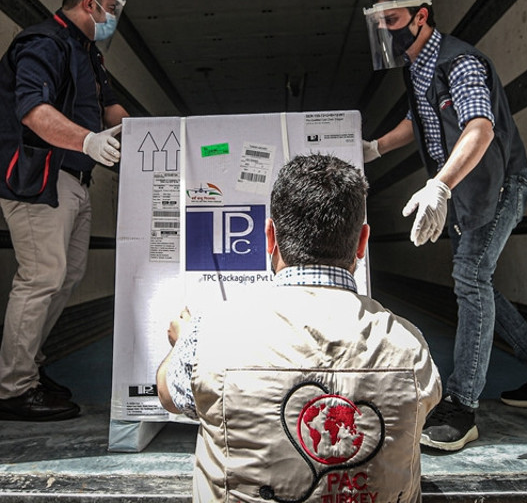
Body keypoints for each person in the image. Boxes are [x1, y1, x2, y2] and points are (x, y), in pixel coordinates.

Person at [360, 0, 527, 452]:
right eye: (379, 23)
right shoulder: (417, 65)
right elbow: (415, 118)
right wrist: (374, 150)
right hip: (469, 190)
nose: (386, 31)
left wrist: (439, 186)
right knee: (478, 283)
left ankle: (461, 409)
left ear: (421, 16)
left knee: (469, 277)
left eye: (393, 20)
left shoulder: (459, 61)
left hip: (498, 184)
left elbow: (479, 128)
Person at [156, 154, 441, 502]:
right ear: (363, 241)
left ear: (270, 237)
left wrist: (180, 343)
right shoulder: (410, 345)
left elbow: (170, 396)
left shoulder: (210, 334)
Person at [0, 0, 130, 422]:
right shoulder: (44, 42)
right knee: (43, 275)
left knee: (67, 274)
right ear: (90, 3)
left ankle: (29, 371)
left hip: (74, 179)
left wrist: (148, 133)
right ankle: (15, 390)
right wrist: (88, 142)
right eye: (112, 9)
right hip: (37, 178)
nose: (113, 18)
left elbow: (110, 107)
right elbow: (33, 111)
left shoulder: (88, 54)